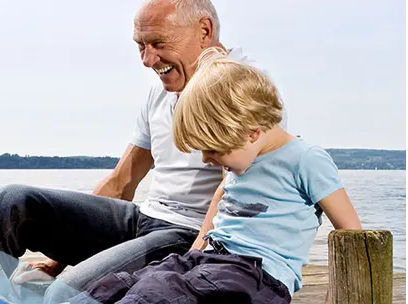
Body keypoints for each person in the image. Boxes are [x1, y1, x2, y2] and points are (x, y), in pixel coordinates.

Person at [0, 0, 286, 302]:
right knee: (11, 203)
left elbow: (232, 193)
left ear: (204, 31)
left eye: (158, 44)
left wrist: (193, 262)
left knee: (70, 291)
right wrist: (58, 260)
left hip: (189, 235)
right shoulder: (160, 92)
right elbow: (122, 181)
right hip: (143, 219)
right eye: (141, 46)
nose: (148, 60)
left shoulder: (246, 88)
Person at [66, 47, 363, 304]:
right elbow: (220, 203)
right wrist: (192, 255)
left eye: (212, 151)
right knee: (118, 286)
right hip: (208, 259)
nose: (207, 161)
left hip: (255, 275)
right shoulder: (244, 159)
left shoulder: (305, 159)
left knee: (156, 295)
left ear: (252, 132)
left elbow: (352, 234)